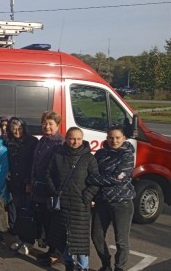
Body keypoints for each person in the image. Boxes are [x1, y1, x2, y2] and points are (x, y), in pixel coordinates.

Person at [45, 127, 100, 271]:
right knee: (63, 237)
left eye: (78, 139)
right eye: (71, 138)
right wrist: (55, 191)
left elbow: (95, 181)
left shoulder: (89, 158)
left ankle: (83, 267)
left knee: (80, 241)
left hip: (80, 205)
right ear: (67, 138)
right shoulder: (58, 154)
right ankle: (68, 263)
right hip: (62, 203)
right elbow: (48, 174)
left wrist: (86, 196)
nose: (75, 142)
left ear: (82, 139)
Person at [87, 125, 136, 271]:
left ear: (124, 138)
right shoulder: (101, 153)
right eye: (110, 137)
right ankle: (106, 264)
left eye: (117, 138)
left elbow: (117, 178)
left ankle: (119, 267)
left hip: (122, 203)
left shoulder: (127, 155)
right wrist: (95, 180)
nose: (113, 140)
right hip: (102, 201)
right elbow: (91, 171)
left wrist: (94, 179)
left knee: (121, 241)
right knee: (96, 236)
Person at [30, 110, 64, 266]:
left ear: (58, 125)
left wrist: (54, 189)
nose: (47, 126)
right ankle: (51, 250)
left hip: (50, 190)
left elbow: (59, 170)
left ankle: (57, 253)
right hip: (39, 188)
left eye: (50, 123)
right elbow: (35, 164)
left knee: (53, 223)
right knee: (45, 221)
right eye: (44, 123)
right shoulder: (42, 140)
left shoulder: (60, 144)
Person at [6, 117, 38, 255]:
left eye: (19, 128)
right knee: (17, 212)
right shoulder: (9, 142)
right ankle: (20, 238)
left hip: (27, 183)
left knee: (28, 213)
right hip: (14, 183)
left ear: (24, 128)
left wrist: (29, 181)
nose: (17, 131)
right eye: (13, 129)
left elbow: (34, 164)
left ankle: (29, 242)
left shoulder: (32, 142)